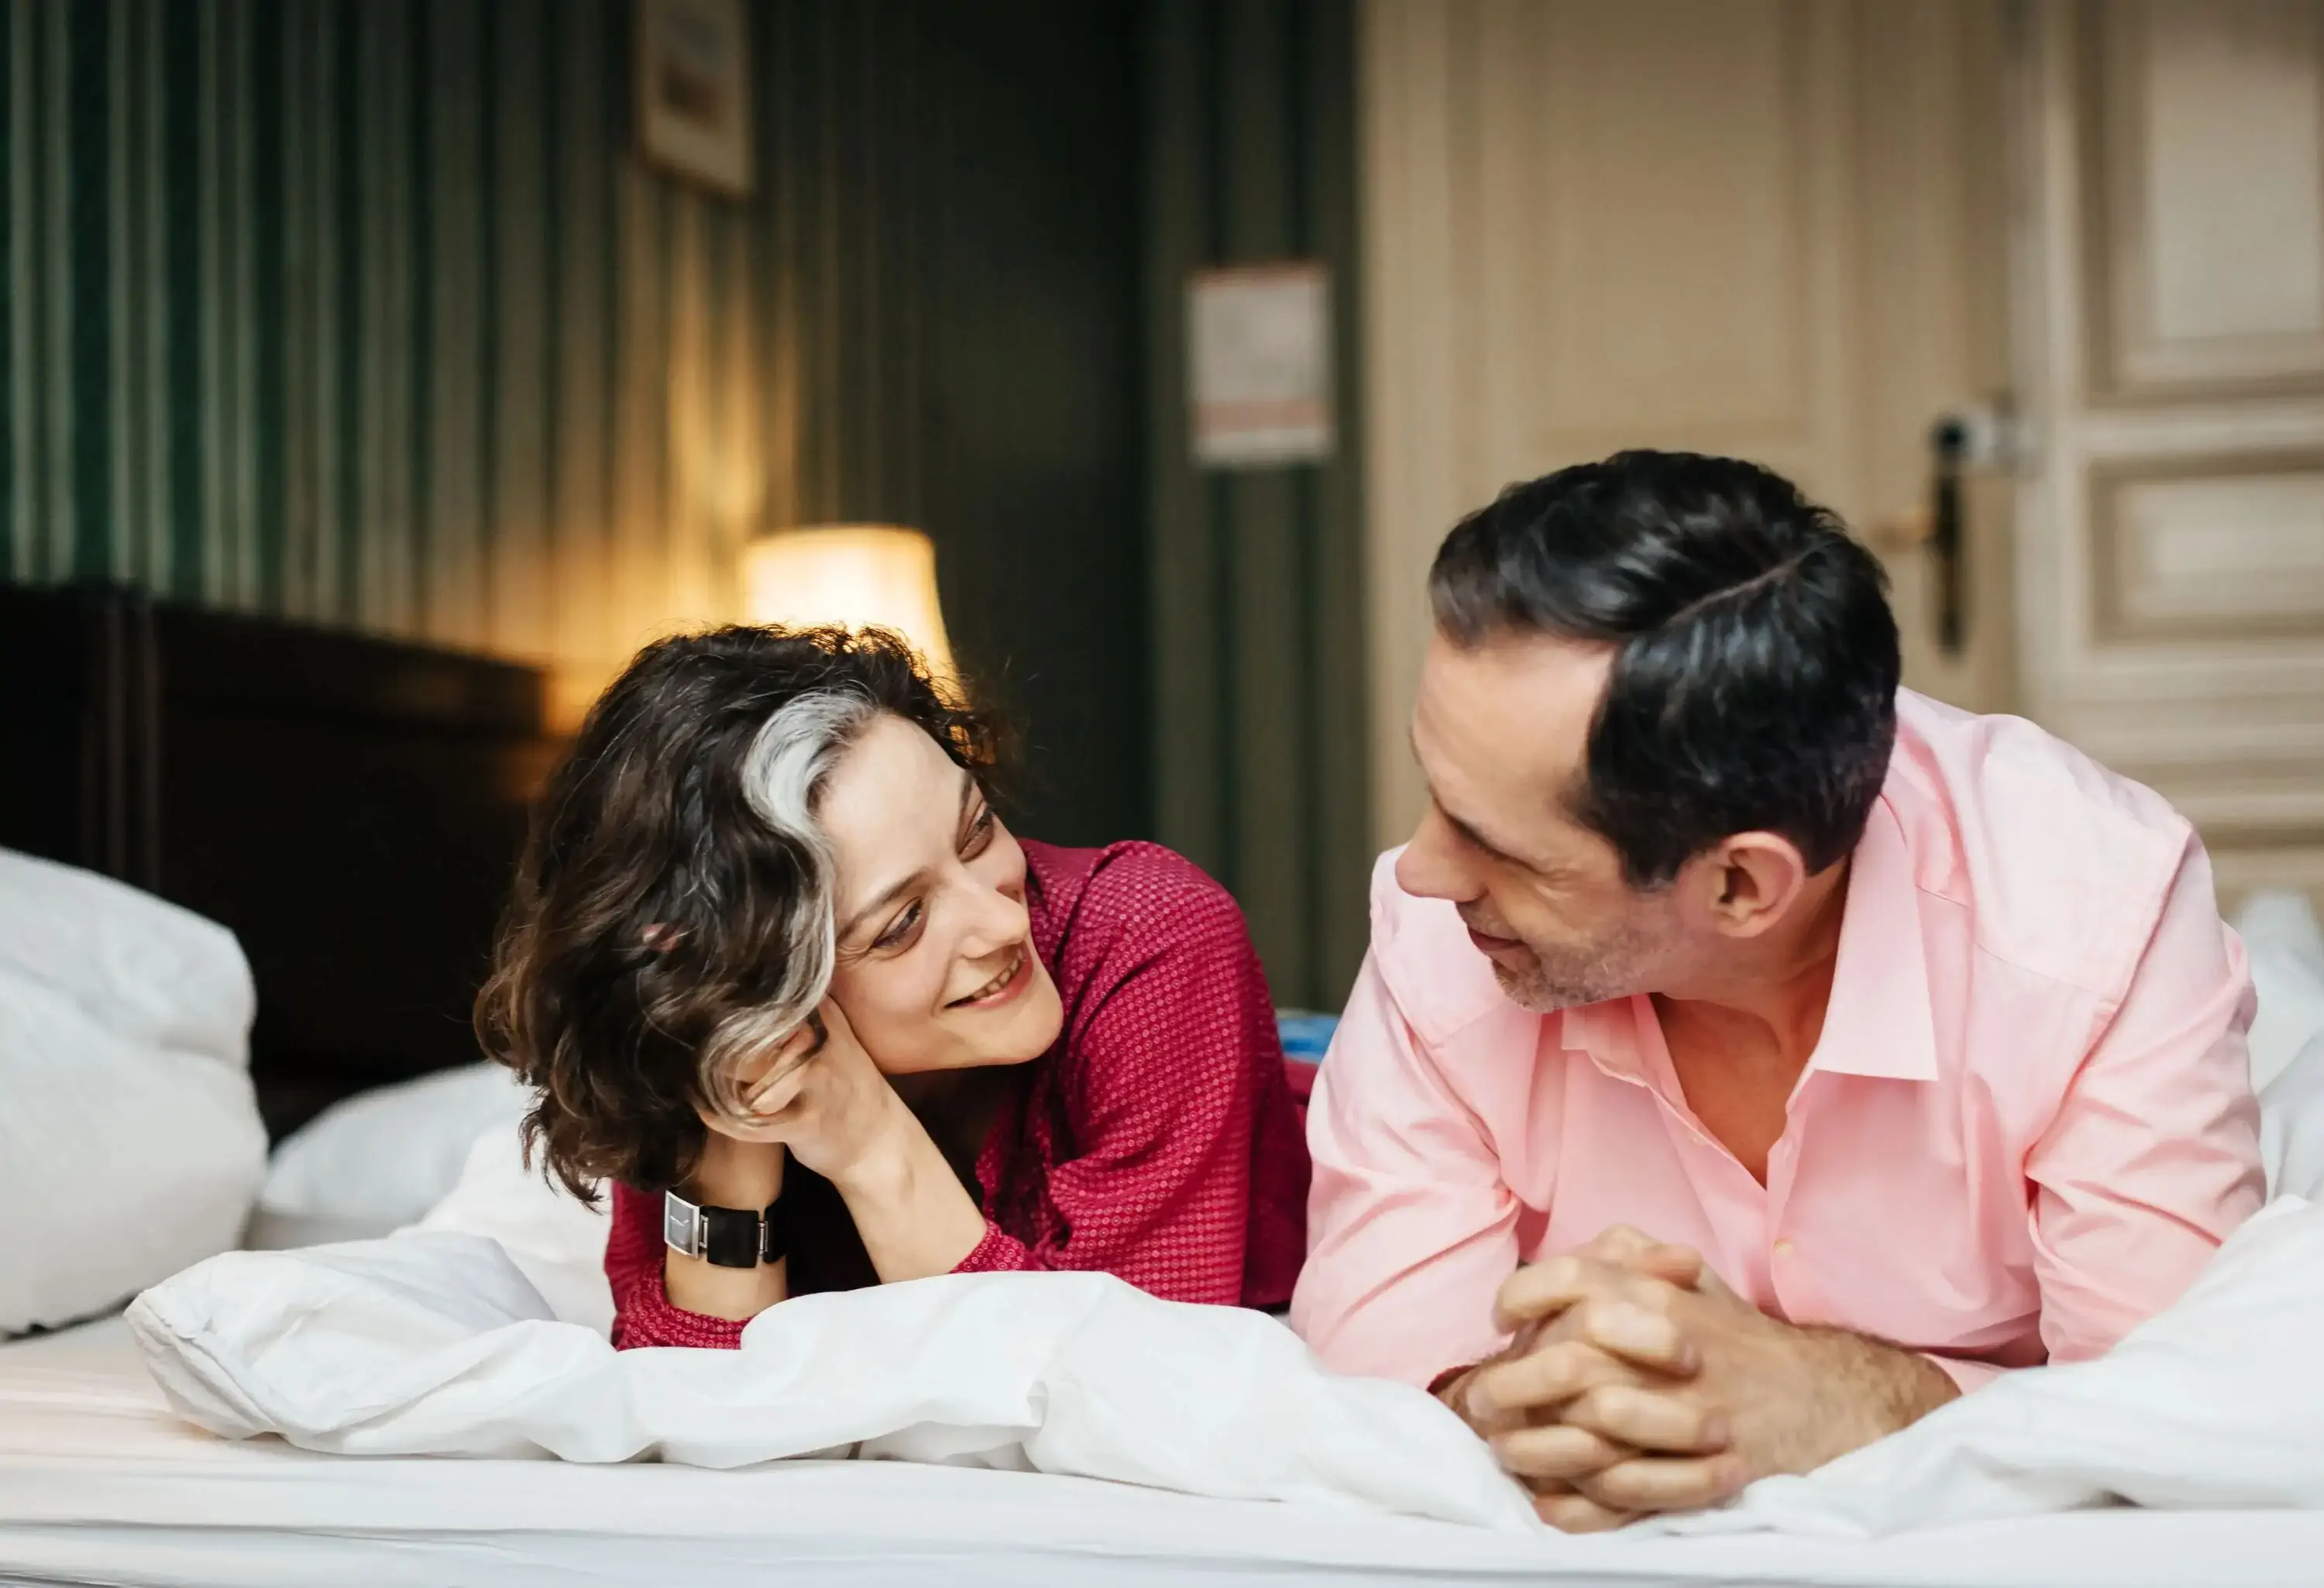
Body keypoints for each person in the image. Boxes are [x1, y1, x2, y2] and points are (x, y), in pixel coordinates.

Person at [1291, 451, 2264, 1531]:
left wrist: (1834, 1399)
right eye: (1436, 791)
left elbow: (2165, 1419)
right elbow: (1377, 1375)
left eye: (1501, 847)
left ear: (1741, 885)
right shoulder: (1448, 931)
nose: (1420, 872)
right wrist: (1517, 1403)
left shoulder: (2095, 927)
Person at [478, 625, 1308, 1347]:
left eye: (976, 832)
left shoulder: (1151, 933)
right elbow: (691, 1406)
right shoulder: (703, 1025)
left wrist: (873, 1147)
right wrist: (732, 1168)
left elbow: (1128, 1392)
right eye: (903, 922)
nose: (1001, 922)